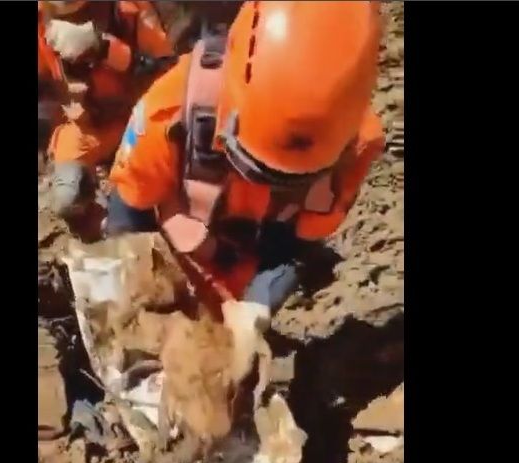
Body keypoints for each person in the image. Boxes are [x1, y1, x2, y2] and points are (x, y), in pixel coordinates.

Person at [105, 0, 385, 325]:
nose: (263, 185)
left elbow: (294, 245)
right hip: (182, 245)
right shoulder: (168, 113)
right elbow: (128, 213)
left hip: (253, 252)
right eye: (249, 165)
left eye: (289, 182)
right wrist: (139, 296)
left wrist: (259, 304)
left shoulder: (356, 148)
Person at [38, 0, 175, 221]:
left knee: (146, 202)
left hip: (138, 120)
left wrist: (105, 48)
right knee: (67, 198)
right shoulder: (41, 18)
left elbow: (168, 73)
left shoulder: (128, 10)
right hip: (86, 128)